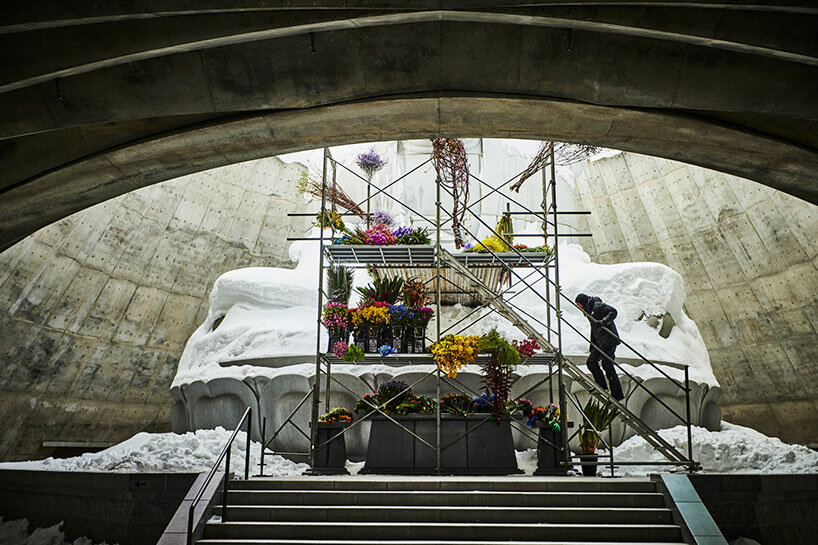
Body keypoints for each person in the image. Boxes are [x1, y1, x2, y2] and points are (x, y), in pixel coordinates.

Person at [574, 293, 625, 401]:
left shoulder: (597, 306)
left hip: (609, 340)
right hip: (600, 342)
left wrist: (604, 322)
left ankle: (617, 394)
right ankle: (601, 387)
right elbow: (594, 329)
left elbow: (613, 311)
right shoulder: (589, 310)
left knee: (607, 365)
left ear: (583, 303)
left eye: (579, 305)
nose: (579, 307)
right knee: (591, 362)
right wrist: (593, 345)